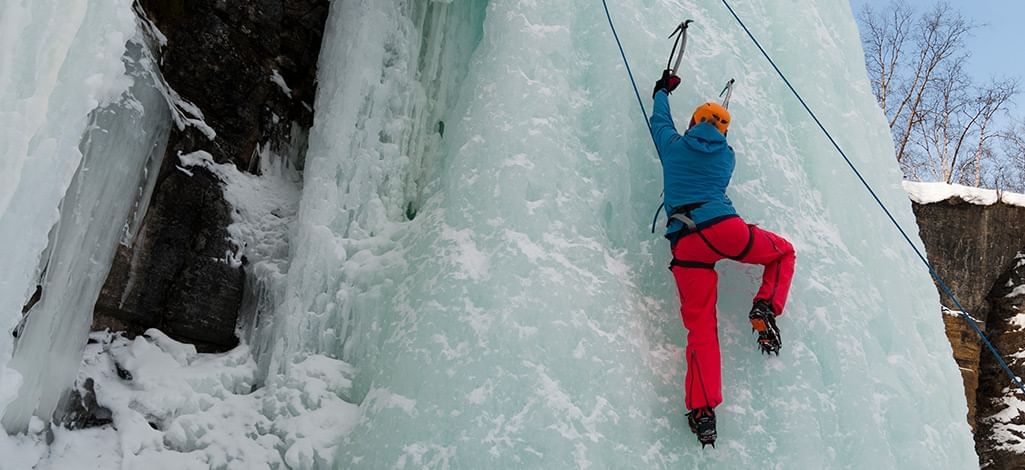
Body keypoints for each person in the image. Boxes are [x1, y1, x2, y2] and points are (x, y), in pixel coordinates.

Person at [650, 70, 796, 448]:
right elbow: (711, 143)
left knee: (700, 329)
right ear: (724, 134)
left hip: (686, 243)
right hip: (726, 230)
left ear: (693, 122)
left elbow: (660, 122)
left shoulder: (673, 146)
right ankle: (765, 306)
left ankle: (702, 412)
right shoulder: (727, 158)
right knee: (782, 252)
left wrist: (662, 91)